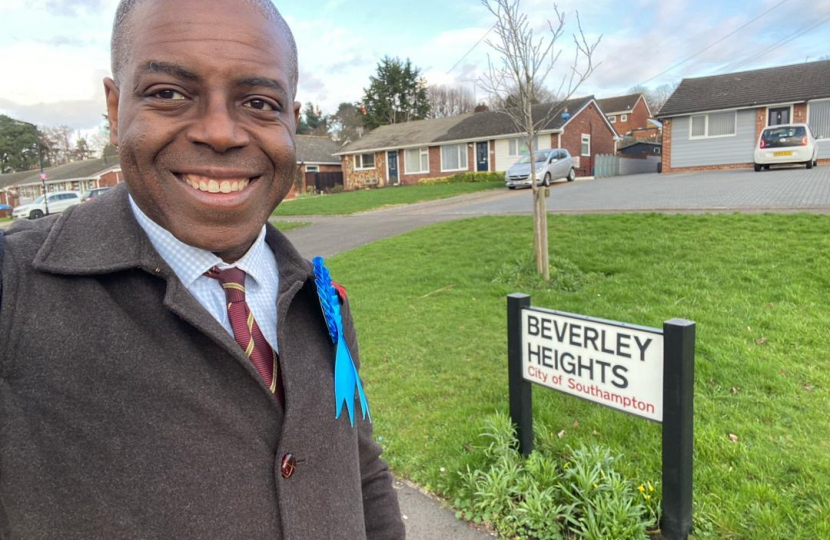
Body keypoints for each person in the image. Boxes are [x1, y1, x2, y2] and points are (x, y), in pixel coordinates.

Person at [0, 1, 405, 538]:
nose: (220, 132)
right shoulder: (16, 288)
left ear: (291, 120)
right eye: (169, 93)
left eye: (259, 102)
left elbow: (360, 467)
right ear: (115, 106)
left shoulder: (319, 294)